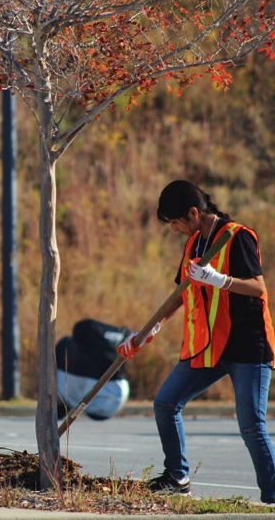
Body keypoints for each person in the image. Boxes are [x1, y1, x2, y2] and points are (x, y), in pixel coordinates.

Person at [117, 180, 275, 502]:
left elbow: (258, 288)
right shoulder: (193, 245)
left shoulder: (237, 237)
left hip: (248, 347)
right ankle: (177, 477)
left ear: (193, 212)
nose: (174, 229)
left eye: (175, 222)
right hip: (210, 347)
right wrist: (148, 330)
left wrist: (221, 280)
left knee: (251, 427)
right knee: (165, 403)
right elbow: (180, 294)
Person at [56, 319, 131, 421]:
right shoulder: (116, 340)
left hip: (99, 397)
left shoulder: (66, 346)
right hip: (118, 395)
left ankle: (62, 403)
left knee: (64, 346)